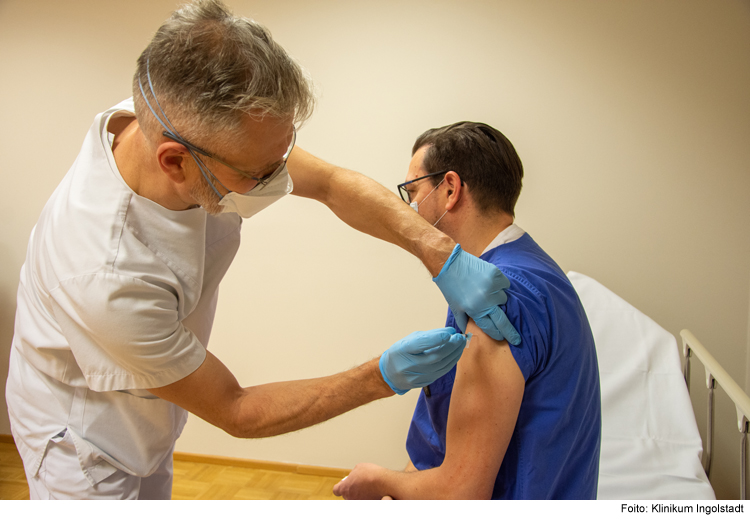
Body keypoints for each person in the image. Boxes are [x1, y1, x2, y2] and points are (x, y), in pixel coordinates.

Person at [4, 2, 520, 500]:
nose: (278, 179)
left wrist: (438, 252)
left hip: (154, 406)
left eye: (281, 157)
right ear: (176, 163)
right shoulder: (104, 277)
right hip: (83, 440)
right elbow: (237, 409)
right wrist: (382, 375)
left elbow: (333, 184)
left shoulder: (174, 111)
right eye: (259, 173)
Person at [333, 121, 601, 500]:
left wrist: (377, 480)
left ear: (450, 189)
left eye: (413, 192)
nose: (408, 209)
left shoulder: (501, 301)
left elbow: (462, 493)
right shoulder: (529, 268)